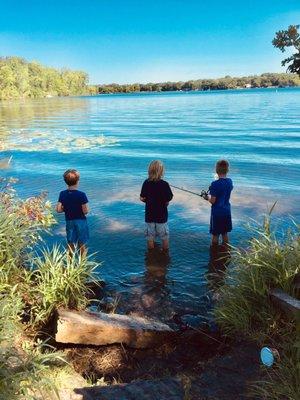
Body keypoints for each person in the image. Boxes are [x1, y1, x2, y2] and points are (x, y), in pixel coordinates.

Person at [140, 160, 173, 250]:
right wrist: (166, 201)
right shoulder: (165, 184)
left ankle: (151, 254)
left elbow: (142, 197)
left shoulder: (146, 183)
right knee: (164, 237)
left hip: (149, 216)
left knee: (150, 237)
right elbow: (169, 197)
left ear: (149, 171)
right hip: (161, 216)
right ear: (162, 172)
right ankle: (165, 254)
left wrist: (145, 200)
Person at [56, 169, 89, 256]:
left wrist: (66, 208)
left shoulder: (62, 193)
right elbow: (85, 211)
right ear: (78, 181)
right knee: (82, 243)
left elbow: (58, 210)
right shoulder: (82, 194)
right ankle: (82, 264)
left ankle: (70, 264)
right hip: (81, 221)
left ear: (65, 182)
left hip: (69, 221)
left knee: (70, 243)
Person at [205, 159, 233, 246]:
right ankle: (226, 251)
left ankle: (214, 253)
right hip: (227, 211)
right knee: (225, 233)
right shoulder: (230, 181)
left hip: (217, 213)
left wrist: (206, 197)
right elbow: (224, 187)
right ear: (227, 170)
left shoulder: (214, 184)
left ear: (216, 170)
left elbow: (213, 201)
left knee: (215, 234)